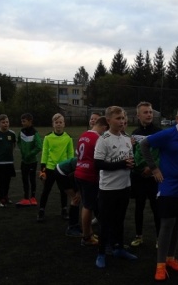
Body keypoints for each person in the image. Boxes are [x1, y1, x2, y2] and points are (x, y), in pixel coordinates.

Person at [140, 102, 178, 281]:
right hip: (169, 187)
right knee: (167, 224)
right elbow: (144, 145)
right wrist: (154, 168)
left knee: (177, 223)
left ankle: (170, 258)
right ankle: (160, 265)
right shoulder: (167, 135)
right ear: (177, 119)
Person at [93, 106, 137, 268]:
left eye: (123, 118)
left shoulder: (126, 139)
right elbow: (98, 164)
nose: (122, 121)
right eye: (118, 118)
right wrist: (122, 164)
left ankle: (118, 248)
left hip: (124, 187)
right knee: (105, 222)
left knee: (119, 220)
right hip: (108, 189)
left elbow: (129, 159)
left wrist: (132, 164)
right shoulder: (103, 140)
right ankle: (101, 253)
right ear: (108, 120)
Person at [129, 101, 161, 247]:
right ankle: (138, 236)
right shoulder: (135, 133)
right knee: (139, 207)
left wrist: (152, 168)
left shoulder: (159, 132)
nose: (149, 114)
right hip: (139, 177)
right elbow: (133, 154)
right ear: (138, 115)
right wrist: (130, 146)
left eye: (150, 112)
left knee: (156, 208)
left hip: (154, 177)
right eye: (145, 112)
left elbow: (163, 153)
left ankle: (159, 238)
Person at [75, 116, 109, 246]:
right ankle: (86, 236)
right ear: (104, 128)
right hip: (89, 175)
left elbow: (78, 153)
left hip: (79, 172)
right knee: (88, 206)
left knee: (87, 204)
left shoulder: (83, 135)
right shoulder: (98, 138)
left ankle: (88, 232)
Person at [38, 113, 74, 222]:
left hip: (62, 170)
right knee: (46, 190)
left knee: (63, 190)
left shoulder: (68, 138)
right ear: (53, 124)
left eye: (60, 122)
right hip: (50, 168)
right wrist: (43, 170)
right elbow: (44, 154)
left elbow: (70, 155)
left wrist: (70, 170)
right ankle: (41, 211)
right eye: (56, 122)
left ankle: (64, 210)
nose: (58, 124)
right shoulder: (48, 137)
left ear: (64, 124)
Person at [16, 113, 42, 207]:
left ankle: (33, 198)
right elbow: (18, 141)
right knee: (24, 179)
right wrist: (22, 150)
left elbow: (39, 147)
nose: (22, 123)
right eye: (22, 121)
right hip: (24, 161)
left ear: (30, 121)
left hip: (32, 162)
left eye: (24, 121)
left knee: (32, 179)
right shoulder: (21, 131)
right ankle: (26, 198)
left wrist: (29, 154)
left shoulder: (35, 133)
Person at [55, 157, 83, 237]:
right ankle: (72, 228)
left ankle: (74, 225)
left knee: (76, 199)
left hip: (66, 171)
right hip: (62, 172)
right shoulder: (87, 163)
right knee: (75, 199)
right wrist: (78, 191)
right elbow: (74, 176)